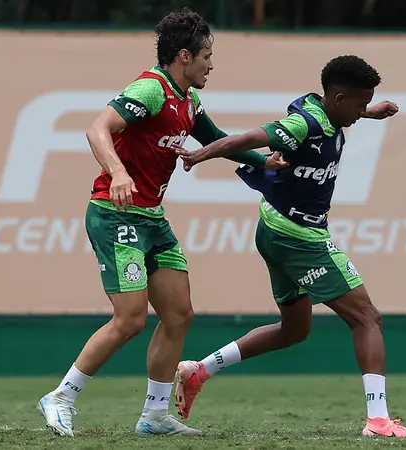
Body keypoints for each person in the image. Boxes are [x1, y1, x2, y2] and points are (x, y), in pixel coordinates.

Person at [36, 8, 286, 438]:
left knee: (178, 314)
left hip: (152, 219)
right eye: (207, 55)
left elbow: (216, 140)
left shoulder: (188, 101)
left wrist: (263, 161)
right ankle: (61, 397)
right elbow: (98, 129)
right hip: (115, 215)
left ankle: (153, 416)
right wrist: (118, 172)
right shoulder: (151, 89)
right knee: (131, 319)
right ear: (185, 56)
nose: (211, 64)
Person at [172, 55, 406, 438]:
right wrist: (200, 154)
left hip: (274, 229)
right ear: (339, 98)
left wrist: (370, 112)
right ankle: (378, 421)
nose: (361, 111)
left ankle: (200, 370)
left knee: (294, 330)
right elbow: (247, 139)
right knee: (366, 318)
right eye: (359, 104)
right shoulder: (303, 123)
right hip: (298, 238)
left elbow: (342, 112)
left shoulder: (330, 112)